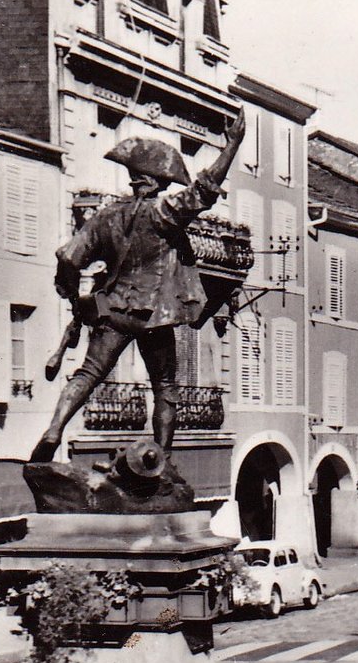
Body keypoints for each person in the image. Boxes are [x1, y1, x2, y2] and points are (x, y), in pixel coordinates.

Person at [29, 112, 248, 464]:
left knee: (88, 373)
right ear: (157, 182)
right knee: (165, 387)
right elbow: (205, 189)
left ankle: (54, 429)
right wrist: (232, 144)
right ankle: (160, 459)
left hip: (113, 310)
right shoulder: (165, 212)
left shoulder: (106, 216)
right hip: (155, 316)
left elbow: (69, 258)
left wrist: (73, 298)